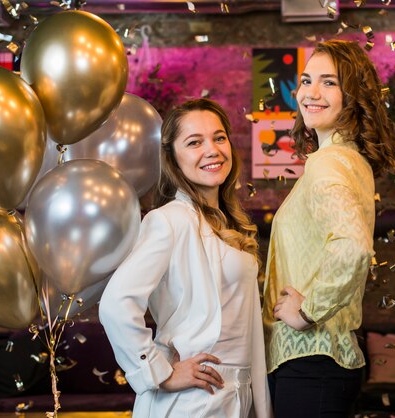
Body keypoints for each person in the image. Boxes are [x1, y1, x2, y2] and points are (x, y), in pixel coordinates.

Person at [99, 98, 271, 418]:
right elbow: (115, 303)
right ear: (173, 159)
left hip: (236, 395)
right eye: (194, 142)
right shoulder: (170, 220)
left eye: (219, 138)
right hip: (195, 402)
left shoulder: (229, 223)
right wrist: (158, 372)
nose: (212, 150)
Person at [262, 39, 395, 418]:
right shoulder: (352, 159)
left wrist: (307, 311)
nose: (311, 93)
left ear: (352, 96)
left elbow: (353, 247)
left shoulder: (328, 163)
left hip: (311, 361)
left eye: (330, 82)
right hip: (321, 365)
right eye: (306, 80)